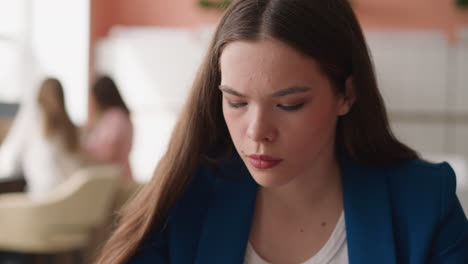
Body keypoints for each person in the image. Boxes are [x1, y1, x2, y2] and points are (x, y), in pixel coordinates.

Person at [96, 0, 468, 263]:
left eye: (289, 105)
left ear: (347, 95)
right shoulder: (182, 198)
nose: (257, 132)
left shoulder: (423, 203)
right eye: (237, 103)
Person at [0, 78, 82, 199]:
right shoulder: (71, 128)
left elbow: (10, 157)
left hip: (44, 202)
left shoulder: (32, 120)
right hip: (71, 200)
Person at [83, 76, 134, 182]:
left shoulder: (115, 117)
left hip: (115, 179)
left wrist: (83, 152)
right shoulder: (119, 116)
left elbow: (110, 153)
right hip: (118, 176)